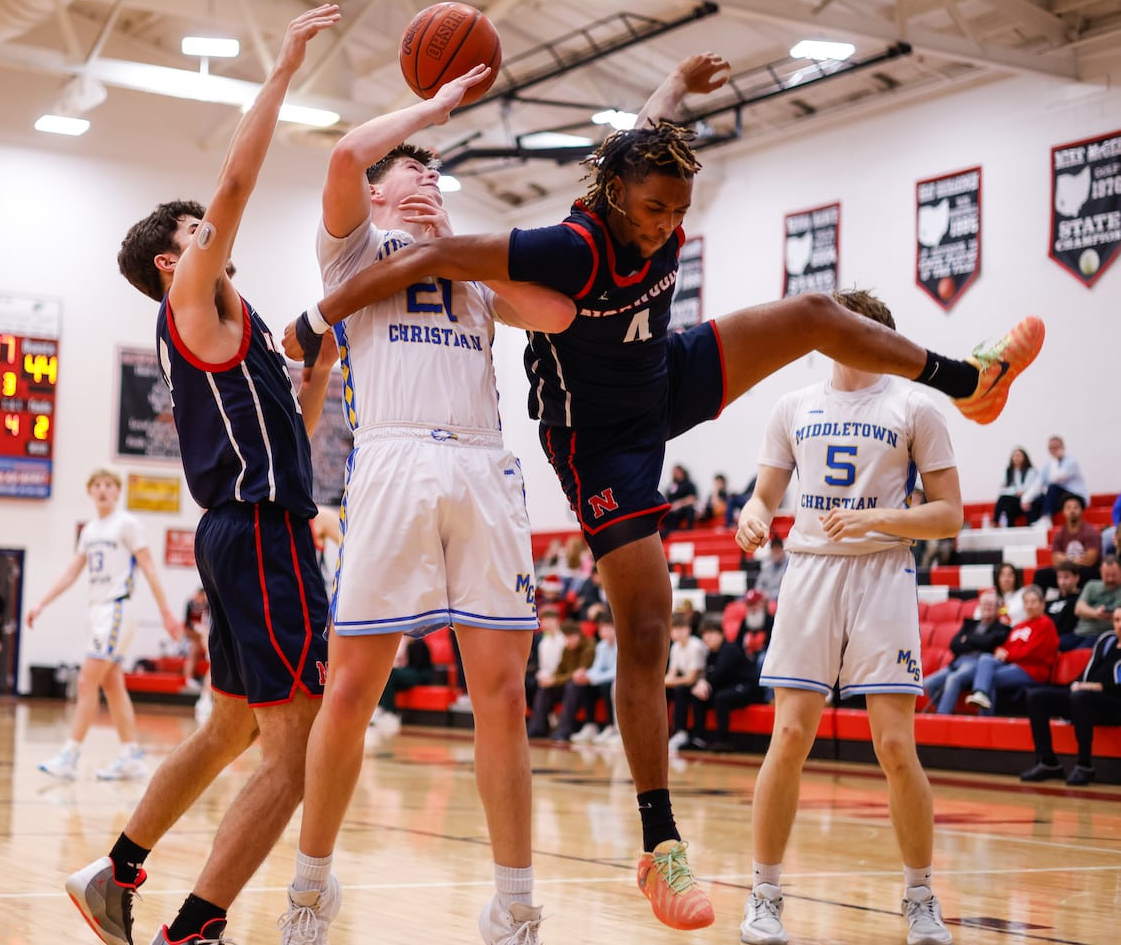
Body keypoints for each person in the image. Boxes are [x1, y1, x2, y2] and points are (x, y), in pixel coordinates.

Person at [282, 53, 1044, 930]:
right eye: (654, 211)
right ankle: (660, 842)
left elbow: (640, 140)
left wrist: (678, 85)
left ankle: (967, 378)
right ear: (613, 198)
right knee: (647, 620)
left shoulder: (630, 197)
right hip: (596, 443)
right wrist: (314, 320)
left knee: (813, 314)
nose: (665, 227)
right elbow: (456, 251)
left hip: (662, 374)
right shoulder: (557, 248)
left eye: (678, 213)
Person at [276, 52, 578, 945]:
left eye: (436, 173)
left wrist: (476, 246)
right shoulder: (354, 247)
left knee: (503, 694)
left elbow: (557, 313)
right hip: (396, 461)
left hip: (484, 467)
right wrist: (431, 106)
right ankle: (309, 888)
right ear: (379, 193)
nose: (429, 177)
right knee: (352, 689)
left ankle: (516, 903)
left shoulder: (474, 263)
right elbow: (340, 158)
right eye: (414, 167)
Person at [64, 5, 342, 945]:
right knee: (294, 752)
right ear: (170, 258)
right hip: (258, 539)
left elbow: (288, 443)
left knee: (229, 731)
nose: (217, 231)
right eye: (198, 228)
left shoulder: (244, 324)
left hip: (252, 528)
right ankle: (198, 925)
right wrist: (284, 65)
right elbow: (238, 174)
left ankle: (117, 871)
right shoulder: (191, 300)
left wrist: (323, 380)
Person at [733, 289, 962, 945]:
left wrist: (877, 518)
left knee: (894, 745)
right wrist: (754, 517)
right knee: (790, 738)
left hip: (882, 572)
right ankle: (765, 894)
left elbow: (950, 514)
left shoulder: (917, 406)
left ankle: (920, 895)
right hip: (809, 572)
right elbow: (765, 494)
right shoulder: (792, 407)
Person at [27, 469, 181, 781]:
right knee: (111, 684)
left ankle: (70, 755)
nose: (102, 490)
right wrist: (41, 603)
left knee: (86, 682)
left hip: (116, 610)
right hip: (96, 612)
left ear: (118, 491)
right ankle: (131, 757)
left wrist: (166, 611)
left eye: (109, 485)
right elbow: (71, 573)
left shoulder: (127, 524)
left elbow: (149, 568)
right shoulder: (89, 531)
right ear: (89, 491)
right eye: (96, 485)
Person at [1021, 606, 1121, 787]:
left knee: (1080, 698)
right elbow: (1090, 669)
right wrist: (1076, 683)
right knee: (1036, 697)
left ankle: (1084, 765)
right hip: (1086, 698)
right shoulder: (1106, 640)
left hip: (1114, 704)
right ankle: (1047, 762)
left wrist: (1098, 687)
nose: (1119, 625)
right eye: (1116, 620)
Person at [964, 586, 1059, 714]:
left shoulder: (1045, 623)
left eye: (1033, 602)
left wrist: (1007, 655)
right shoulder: (1020, 625)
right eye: (1026, 602)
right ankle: (980, 694)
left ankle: (985, 721)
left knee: (988, 678)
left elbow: (1032, 652)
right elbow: (1006, 646)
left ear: (1042, 604)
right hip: (1013, 665)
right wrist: (999, 650)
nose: (1029, 606)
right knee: (986, 658)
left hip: (1032, 671)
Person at [921, 591, 1008, 714]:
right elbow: (954, 644)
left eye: (991, 604)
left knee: (953, 679)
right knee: (929, 683)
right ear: (980, 606)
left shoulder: (1002, 627)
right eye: (985, 604)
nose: (988, 607)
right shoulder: (969, 624)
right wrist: (977, 642)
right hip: (957, 663)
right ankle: (948, 713)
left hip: (977, 665)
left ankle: (942, 718)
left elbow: (989, 642)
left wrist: (967, 639)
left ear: (998, 607)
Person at [688, 619, 759, 752]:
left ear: (721, 634)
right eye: (704, 634)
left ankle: (723, 740)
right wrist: (702, 684)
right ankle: (698, 739)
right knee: (698, 696)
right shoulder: (711, 654)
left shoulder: (729, 649)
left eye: (710, 633)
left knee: (721, 698)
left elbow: (720, 673)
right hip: (728, 687)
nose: (706, 637)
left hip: (746, 688)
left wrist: (704, 683)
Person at [558, 617, 619, 744]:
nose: (605, 632)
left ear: (615, 629)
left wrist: (592, 678)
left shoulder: (620, 646)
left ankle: (611, 726)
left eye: (608, 628)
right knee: (583, 685)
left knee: (606, 686)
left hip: (616, 681)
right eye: (602, 629)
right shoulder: (602, 646)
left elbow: (615, 671)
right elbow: (597, 668)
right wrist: (585, 676)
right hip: (602, 679)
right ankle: (590, 724)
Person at [372, 635, 434, 736]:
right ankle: (380, 709)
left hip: (419, 673)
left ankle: (389, 713)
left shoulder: (417, 642)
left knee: (391, 674)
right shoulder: (397, 642)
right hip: (403, 673)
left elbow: (418, 665)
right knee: (386, 674)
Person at [664, 611, 707, 750]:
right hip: (685, 681)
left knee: (680, 690)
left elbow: (691, 679)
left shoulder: (695, 646)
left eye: (681, 628)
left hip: (702, 683)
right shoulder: (675, 647)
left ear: (688, 629)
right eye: (674, 629)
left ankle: (681, 732)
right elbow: (672, 673)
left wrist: (664, 682)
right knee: (662, 691)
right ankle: (662, 729)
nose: (677, 633)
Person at [1023, 435, 1087, 526]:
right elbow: (1038, 483)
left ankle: (1046, 518)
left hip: (1075, 495)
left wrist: (1056, 460)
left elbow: (1057, 478)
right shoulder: (1048, 465)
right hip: (1058, 497)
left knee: (1052, 488)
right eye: (1051, 448)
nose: (1054, 450)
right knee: (1035, 501)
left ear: (1063, 447)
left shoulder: (1071, 462)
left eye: (1057, 447)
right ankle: (1034, 525)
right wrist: (1026, 499)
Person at [1074, 556, 1121, 648]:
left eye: (1114, 575)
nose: (1110, 579)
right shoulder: (1091, 585)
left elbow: (1115, 615)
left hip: (1102, 635)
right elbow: (1078, 609)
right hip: (1078, 633)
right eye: (1107, 575)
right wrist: (1096, 613)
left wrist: (1089, 612)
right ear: (1100, 572)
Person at [1045, 561, 1084, 651]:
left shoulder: (1080, 600)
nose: (1062, 582)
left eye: (1066, 577)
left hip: (1065, 638)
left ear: (1076, 578)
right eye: (1059, 578)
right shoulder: (1052, 601)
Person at [992, 447, 1036, 527]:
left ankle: (995, 522)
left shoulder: (1030, 471)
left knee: (1004, 500)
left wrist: (1010, 489)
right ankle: (1009, 529)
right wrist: (1015, 491)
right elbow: (1001, 490)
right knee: (1007, 506)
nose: (1016, 458)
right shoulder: (1008, 472)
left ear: (1025, 457)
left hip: (1026, 500)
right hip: (1013, 501)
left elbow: (1027, 489)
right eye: (1014, 456)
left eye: (1019, 455)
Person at [662, 464, 699, 534]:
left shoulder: (689, 484)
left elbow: (693, 499)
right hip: (671, 510)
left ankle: (688, 530)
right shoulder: (671, 486)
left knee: (689, 510)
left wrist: (680, 504)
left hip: (683, 509)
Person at [753, 536, 788, 601]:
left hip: (781, 600)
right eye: (774, 549)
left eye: (778, 548)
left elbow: (787, 590)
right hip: (764, 602)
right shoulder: (766, 568)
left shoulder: (788, 567)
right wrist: (761, 595)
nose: (776, 551)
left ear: (782, 550)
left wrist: (768, 596)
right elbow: (758, 587)